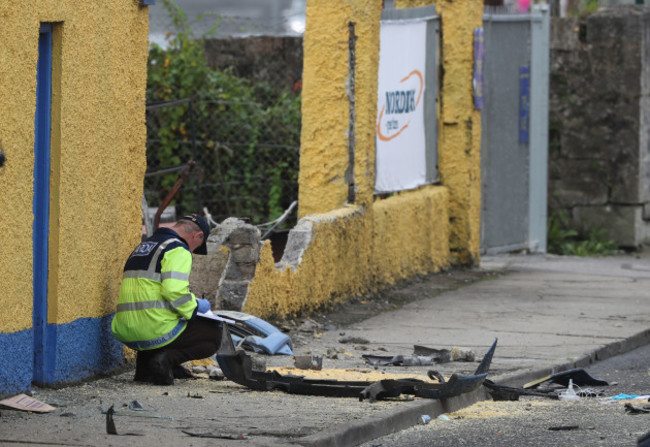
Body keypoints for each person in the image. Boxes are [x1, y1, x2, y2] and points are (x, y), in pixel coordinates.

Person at [111, 213, 222, 385]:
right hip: (153, 327)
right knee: (213, 334)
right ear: (197, 236)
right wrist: (195, 308)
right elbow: (174, 291)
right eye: (196, 247)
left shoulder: (143, 247)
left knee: (166, 319)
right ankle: (166, 360)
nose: (192, 252)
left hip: (126, 330)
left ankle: (146, 370)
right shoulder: (178, 249)